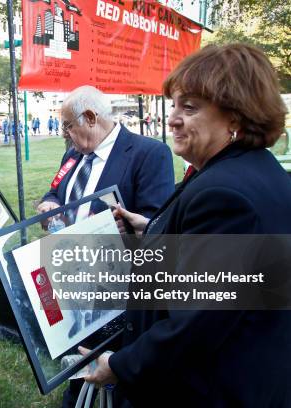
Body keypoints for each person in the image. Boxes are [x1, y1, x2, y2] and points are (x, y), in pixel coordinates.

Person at [85, 44, 291, 407]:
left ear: (235, 118)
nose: (173, 119)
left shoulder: (225, 193)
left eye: (190, 108)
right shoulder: (256, 171)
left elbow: (196, 325)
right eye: (174, 105)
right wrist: (151, 230)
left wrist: (119, 364)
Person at [35, 85, 175, 408]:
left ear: (90, 117)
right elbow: (55, 191)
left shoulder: (148, 153)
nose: (65, 133)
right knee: (80, 355)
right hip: (71, 275)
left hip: (118, 289)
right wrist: (47, 205)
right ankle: (78, 392)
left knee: (114, 373)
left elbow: (159, 223)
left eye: (69, 125)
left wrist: (130, 225)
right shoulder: (73, 154)